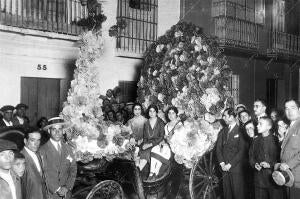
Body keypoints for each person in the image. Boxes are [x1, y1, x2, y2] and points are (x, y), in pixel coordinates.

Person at [39, 117, 77, 199]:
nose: (57, 132)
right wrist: (57, 189)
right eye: (54, 129)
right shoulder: (42, 150)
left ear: (63, 131)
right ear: (49, 131)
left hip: (66, 193)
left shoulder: (68, 148)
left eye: (60, 129)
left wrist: (67, 187)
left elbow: (73, 170)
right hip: (51, 194)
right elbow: (43, 173)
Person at [249, 116, 283, 199]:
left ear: (269, 127)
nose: (257, 126)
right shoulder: (255, 140)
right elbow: (251, 156)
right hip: (259, 180)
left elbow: (282, 159)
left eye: (260, 124)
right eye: (257, 124)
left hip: (274, 180)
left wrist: (270, 165)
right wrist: (254, 164)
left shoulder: (276, 140)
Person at [216, 108, 247, 199]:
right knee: (226, 194)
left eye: (225, 116)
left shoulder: (242, 130)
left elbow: (242, 151)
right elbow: (218, 148)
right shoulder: (223, 131)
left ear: (233, 117)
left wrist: (230, 164)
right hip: (224, 168)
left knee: (238, 194)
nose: (224, 118)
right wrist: (222, 163)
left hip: (236, 168)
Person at [277, 99, 300, 199]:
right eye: (286, 108)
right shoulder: (290, 125)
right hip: (287, 175)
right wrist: (281, 138)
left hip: (297, 176)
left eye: (293, 108)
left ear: (299, 109)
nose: (289, 111)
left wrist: (288, 164)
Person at [138, 105, 166, 180]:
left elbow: (161, 137)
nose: (152, 113)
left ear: (156, 112)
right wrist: (144, 144)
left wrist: (150, 144)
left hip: (157, 143)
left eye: (154, 111)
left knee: (146, 152)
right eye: (150, 111)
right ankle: (138, 173)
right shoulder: (146, 122)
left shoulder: (160, 122)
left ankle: (146, 175)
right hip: (147, 143)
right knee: (139, 150)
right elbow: (145, 137)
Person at [21, 127, 47, 199]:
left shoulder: (38, 154)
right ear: (25, 141)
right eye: (32, 140)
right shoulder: (20, 158)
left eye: (38, 140)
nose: (36, 143)